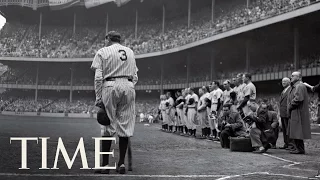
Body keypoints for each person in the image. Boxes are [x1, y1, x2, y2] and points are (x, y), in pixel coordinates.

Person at [91, 31, 138, 174]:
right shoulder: (130, 52)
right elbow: (135, 76)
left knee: (107, 127)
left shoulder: (103, 51)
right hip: (129, 86)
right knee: (125, 127)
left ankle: (105, 165)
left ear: (107, 39)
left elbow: (98, 77)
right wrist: (128, 86)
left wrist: (99, 97)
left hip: (110, 85)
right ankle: (121, 164)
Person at [287, 72, 311, 154]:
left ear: (299, 77)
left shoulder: (299, 86)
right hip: (296, 110)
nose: (291, 77)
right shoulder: (297, 86)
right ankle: (299, 148)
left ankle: (300, 149)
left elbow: (298, 99)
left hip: (297, 110)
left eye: (293, 76)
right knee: (296, 130)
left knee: (297, 130)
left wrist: (290, 106)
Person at [279, 77, 292, 150]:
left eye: (285, 81)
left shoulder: (290, 90)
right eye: (282, 81)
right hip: (282, 112)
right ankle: (286, 143)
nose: (283, 83)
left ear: (289, 82)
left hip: (287, 113)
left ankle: (290, 144)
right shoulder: (284, 90)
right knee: (284, 129)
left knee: (288, 129)